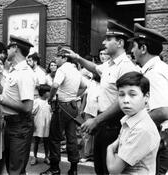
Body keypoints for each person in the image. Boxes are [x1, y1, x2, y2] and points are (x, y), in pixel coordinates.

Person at [62, 20, 139, 174]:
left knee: (109, 170)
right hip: (103, 123)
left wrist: (96, 120)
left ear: (120, 43)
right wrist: (77, 58)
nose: (104, 42)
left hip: (114, 125)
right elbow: (96, 68)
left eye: (108, 39)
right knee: (100, 168)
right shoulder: (110, 65)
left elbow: (123, 101)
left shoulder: (126, 67)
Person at [40, 46, 87, 175]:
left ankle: (55, 168)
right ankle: (74, 169)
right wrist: (75, 96)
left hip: (62, 107)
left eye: (58, 57)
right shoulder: (75, 70)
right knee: (71, 138)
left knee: (55, 138)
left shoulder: (62, 69)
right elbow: (84, 86)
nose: (55, 59)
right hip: (73, 106)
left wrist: (50, 97)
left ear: (64, 58)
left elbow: (55, 85)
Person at [0, 35, 35, 175]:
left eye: (9, 47)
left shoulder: (24, 73)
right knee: (12, 167)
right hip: (11, 124)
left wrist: (1, 100)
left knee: (15, 169)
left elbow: (27, 107)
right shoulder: (14, 70)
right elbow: (11, 96)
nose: (6, 51)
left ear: (15, 48)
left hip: (20, 125)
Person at [129, 23, 168, 175]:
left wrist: (133, 124)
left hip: (159, 139)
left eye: (134, 46)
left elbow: (163, 112)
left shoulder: (154, 74)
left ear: (143, 49)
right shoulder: (160, 68)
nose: (131, 51)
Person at [107, 71, 160, 174]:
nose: (126, 100)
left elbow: (114, 169)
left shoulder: (141, 128)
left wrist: (109, 148)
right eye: (121, 95)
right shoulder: (129, 120)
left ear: (146, 97)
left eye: (132, 94)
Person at [30, 84, 52, 166]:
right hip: (38, 124)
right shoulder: (36, 102)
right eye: (48, 92)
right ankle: (34, 156)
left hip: (47, 124)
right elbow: (32, 114)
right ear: (43, 93)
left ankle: (47, 156)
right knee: (36, 141)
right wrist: (33, 124)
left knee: (47, 141)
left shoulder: (49, 102)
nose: (50, 93)